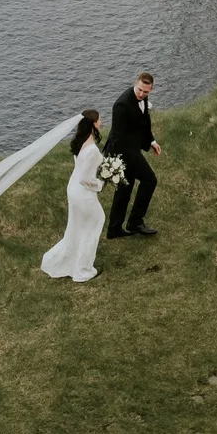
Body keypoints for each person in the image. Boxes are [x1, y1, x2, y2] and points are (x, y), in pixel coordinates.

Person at [40, 110, 106, 283]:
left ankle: (67, 261)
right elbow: (86, 179)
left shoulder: (79, 141)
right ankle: (83, 270)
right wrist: (100, 184)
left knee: (77, 226)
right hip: (83, 192)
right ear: (93, 124)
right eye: (99, 119)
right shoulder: (91, 149)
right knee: (95, 223)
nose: (101, 121)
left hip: (73, 188)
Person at [104, 71, 160, 239]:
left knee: (125, 187)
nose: (142, 94)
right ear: (135, 83)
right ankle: (135, 222)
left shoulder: (142, 99)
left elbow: (144, 124)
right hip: (123, 152)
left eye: (146, 91)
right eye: (140, 90)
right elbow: (117, 138)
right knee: (150, 180)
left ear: (151, 89)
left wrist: (152, 142)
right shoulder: (121, 105)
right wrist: (124, 162)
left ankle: (114, 229)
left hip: (131, 148)